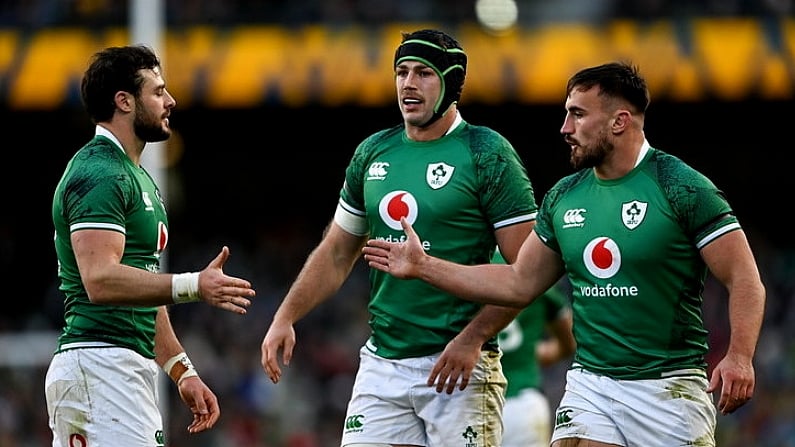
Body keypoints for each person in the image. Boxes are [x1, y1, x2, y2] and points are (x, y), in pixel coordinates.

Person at [363, 61, 766, 447]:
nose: (565, 128)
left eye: (577, 115)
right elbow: (519, 282)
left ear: (619, 121)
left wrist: (740, 356)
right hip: (591, 384)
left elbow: (744, 278)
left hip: (667, 386)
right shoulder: (563, 196)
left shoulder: (682, 188)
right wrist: (424, 266)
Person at [261, 29, 538, 446]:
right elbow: (337, 252)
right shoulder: (374, 152)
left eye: (424, 73)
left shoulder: (488, 153)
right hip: (382, 365)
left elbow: (527, 274)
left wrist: (474, 338)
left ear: (451, 84)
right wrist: (285, 315)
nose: (408, 83)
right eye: (402, 72)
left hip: (460, 365)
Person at [46, 44, 257, 447]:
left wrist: (182, 370)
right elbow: (100, 280)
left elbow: (142, 285)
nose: (170, 100)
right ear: (124, 102)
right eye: (158, 91)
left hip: (119, 369)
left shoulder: (137, 177)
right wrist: (194, 285)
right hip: (99, 364)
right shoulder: (99, 172)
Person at [493, 250, 576, 447]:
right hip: (523, 403)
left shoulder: (463, 268)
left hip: (469, 402)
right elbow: (569, 341)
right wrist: (532, 353)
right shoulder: (532, 272)